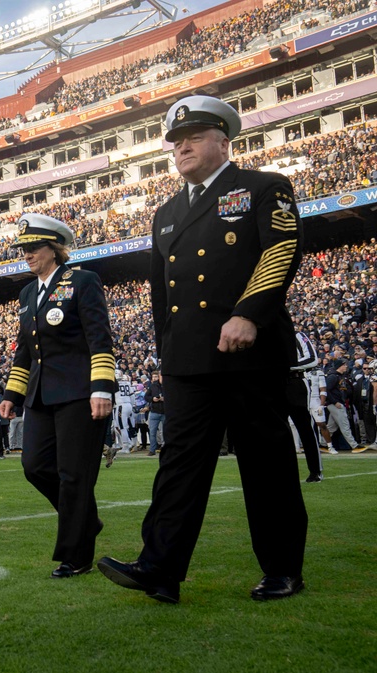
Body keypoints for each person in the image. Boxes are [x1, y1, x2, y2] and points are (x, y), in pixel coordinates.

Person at [98, 95, 308, 603]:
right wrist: (166, 351)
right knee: (179, 463)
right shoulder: (167, 213)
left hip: (248, 351)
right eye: (176, 141)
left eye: (193, 137)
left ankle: (283, 568)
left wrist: (248, 313)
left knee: (265, 461)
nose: (182, 147)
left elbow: (282, 248)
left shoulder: (263, 187)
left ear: (223, 141)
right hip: (188, 360)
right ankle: (160, 569)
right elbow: (160, 294)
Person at [0, 214, 116, 579]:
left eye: (34, 247)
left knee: (74, 475)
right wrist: (11, 394)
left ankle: (76, 554)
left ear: (54, 248)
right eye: (24, 249)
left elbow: (100, 338)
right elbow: (25, 352)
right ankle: (84, 519)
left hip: (80, 392)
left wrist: (101, 388)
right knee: (35, 466)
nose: (27, 254)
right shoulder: (27, 292)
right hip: (41, 395)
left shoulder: (82, 280)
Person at [288, 332, 324, 482]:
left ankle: (315, 470)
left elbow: (312, 359)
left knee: (305, 427)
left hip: (295, 383)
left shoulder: (296, 335)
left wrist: (285, 366)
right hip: (272, 384)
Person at [144, 371, 165, 457]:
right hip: (154, 411)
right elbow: (146, 396)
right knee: (152, 432)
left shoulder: (168, 385)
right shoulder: (153, 386)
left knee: (165, 432)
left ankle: (165, 448)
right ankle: (152, 450)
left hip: (164, 412)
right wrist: (152, 399)